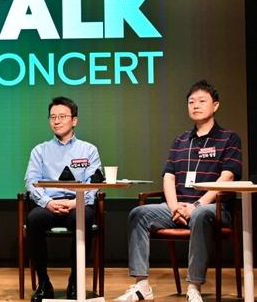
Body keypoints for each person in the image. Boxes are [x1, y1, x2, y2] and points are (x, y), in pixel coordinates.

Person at [114, 80, 242, 302]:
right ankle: (142, 286)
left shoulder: (229, 138)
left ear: (215, 105)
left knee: (200, 214)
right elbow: (168, 176)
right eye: (191, 102)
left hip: (213, 208)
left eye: (202, 101)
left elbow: (227, 177)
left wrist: (196, 206)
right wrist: (174, 207)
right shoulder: (181, 140)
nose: (196, 105)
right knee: (138, 214)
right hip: (179, 207)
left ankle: (194, 287)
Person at [24, 96, 101, 301]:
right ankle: (43, 282)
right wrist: (48, 202)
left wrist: (77, 202)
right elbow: (31, 181)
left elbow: (95, 182)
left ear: (74, 120)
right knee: (34, 219)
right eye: (52, 117)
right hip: (49, 204)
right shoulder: (40, 150)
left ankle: (75, 282)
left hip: (78, 203)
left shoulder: (89, 150)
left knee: (83, 218)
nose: (56, 121)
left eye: (62, 117)